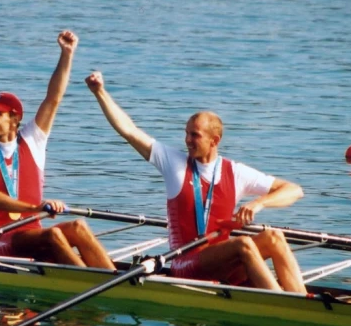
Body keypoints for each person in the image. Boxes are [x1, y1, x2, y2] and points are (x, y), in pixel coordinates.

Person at [84, 71, 306, 293]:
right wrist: (99, 92)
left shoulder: (235, 172)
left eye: (195, 135)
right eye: (186, 133)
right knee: (244, 243)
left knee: (275, 237)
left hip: (223, 260)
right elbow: (129, 131)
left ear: (214, 140)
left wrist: (259, 203)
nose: (187, 140)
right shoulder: (174, 163)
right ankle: (281, 302)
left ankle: (302, 299)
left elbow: (294, 190)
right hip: (185, 263)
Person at [0, 31, 115, 270]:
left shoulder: (33, 141)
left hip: (31, 233)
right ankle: (89, 283)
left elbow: (53, 98)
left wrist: (67, 54)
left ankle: (113, 278)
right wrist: (35, 208)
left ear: (15, 118)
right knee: (53, 235)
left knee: (78, 226)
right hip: (0, 240)